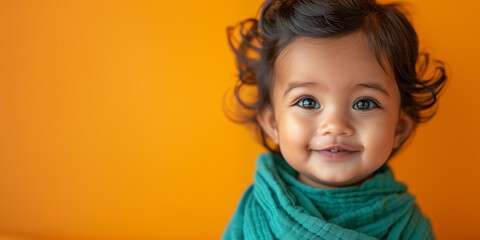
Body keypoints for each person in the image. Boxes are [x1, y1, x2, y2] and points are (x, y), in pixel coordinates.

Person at [222, 0, 446, 239]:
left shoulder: (408, 225)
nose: (336, 126)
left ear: (400, 127)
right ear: (273, 123)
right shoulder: (256, 210)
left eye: (364, 103)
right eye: (308, 102)